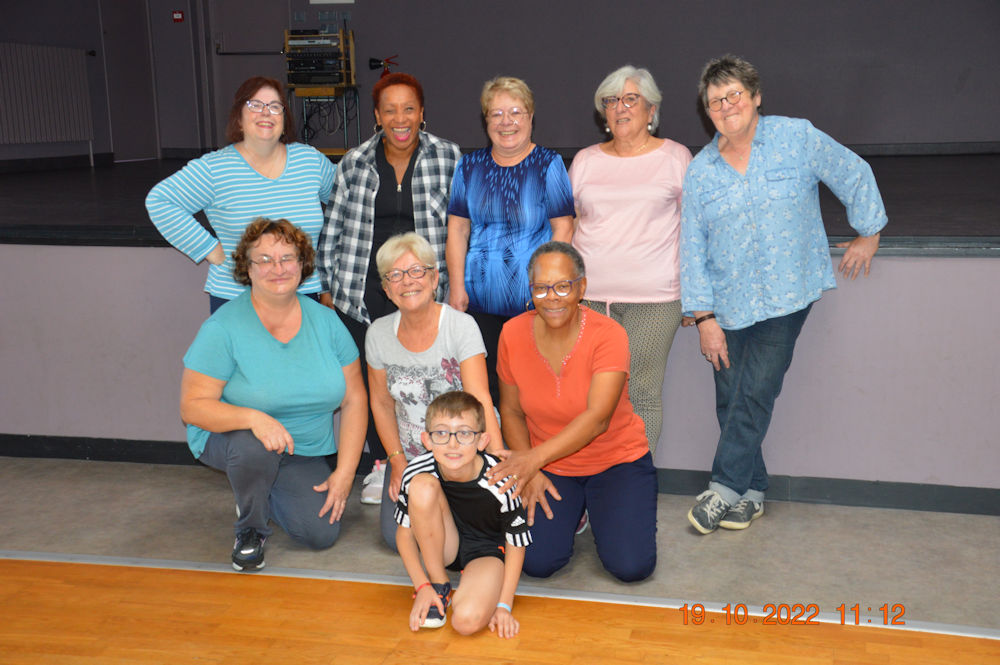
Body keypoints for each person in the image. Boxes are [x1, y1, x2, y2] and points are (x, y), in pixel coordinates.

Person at [680, 55, 887, 534]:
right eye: (715, 102)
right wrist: (704, 316)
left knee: (755, 390)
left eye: (734, 95)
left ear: (755, 96)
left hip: (788, 292)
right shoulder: (701, 171)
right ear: (707, 112)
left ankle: (724, 487)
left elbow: (851, 170)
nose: (726, 106)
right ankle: (752, 493)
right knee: (730, 397)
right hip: (726, 304)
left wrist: (869, 230)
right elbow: (691, 246)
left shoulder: (797, 137)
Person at [180, 218, 367, 571]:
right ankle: (250, 528)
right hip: (233, 438)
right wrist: (253, 417)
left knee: (320, 533)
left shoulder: (327, 322)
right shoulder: (223, 327)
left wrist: (344, 472)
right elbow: (191, 407)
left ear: (302, 264)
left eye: (287, 258)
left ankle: (258, 489)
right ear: (247, 269)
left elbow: (355, 399)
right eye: (264, 259)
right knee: (254, 447)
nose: (277, 268)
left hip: (300, 448)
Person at [316, 73, 461, 503]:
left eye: (409, 109)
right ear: (377, 116)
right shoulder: (354, 163)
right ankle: (384, 462)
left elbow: (460, 229)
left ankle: (436, 463)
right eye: (390, 110)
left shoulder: (448, 157)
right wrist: (327, 290)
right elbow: (333, 230)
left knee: (426, 380)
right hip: (364, 294)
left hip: (425, 294)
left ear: (422, 113)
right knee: (375, 383)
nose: (401, 119)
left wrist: (456, 286)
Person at [489, 241, 657, 583]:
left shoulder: (609, 334)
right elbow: (510, 410)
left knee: (631, 567)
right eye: (541, 287)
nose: (552, 297)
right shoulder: (511, 333)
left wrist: (531, 460)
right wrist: (530, 469)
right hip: (551, 466)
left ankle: (604, 509)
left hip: (615, 461)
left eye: (563, 286)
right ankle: (575, 510)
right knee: (536, 563)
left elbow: (598, 419)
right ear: (530, 289)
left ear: (581, 287)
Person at [569, 65, 692, 452]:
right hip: (588, 300)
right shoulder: (586, 161)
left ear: (651, 109)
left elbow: (694, 231)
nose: (620, 108)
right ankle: (592, 487)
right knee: (587, 397)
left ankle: (634, 489)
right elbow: (566, 227)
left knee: (640, 392)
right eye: (611, 100)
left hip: (655, 301)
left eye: (630, 99)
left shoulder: (676, 157)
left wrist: (699, 296)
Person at [146, 76, 335, 312]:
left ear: (284, 120)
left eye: (275, 107)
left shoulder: (310, 161)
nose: (266, 113)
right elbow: (160, 201)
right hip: (238, 299)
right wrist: (211, 251)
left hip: (304, 295)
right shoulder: (215, 168)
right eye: (255, 105)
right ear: (239, 118)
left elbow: (345, 202)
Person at [365, 232, 502, 550]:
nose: (407, 282)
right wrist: (397, 461)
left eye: (416, 270)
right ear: (386, 288)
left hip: (464, 451)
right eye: (395, 275)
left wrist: (494, 461)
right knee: (394, 536)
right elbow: (382, 404)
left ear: (434, 277)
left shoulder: (460, 326)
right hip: (414, 456)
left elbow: (481, 397)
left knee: (468, 532)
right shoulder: (377, 334)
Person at [446, 76, 575, 405]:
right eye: (496, 114)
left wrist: (549, 288)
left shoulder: (549, 165)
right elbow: (458, 230)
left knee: (531, 391)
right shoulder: (468, 166)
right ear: (485, 120)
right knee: (482, 390)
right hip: (477, 302)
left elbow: (564, 229)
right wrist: (457, 288)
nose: (507, 122)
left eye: (516, 112)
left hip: (533, 302)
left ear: (531, 117)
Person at [395, 391, 530, 636]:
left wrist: (503, 605)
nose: (453, 444)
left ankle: (476, 586)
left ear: (482, 441)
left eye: (465, 433)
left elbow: (516, 543)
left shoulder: (500, 478)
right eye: (442, 433)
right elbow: (404, 535)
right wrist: (422, 585)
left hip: (486, 552)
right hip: (445, 545)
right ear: (427, 440)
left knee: (465, 623)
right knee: (422, 486)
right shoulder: (415, 471)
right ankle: (439, 584)